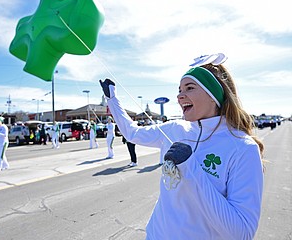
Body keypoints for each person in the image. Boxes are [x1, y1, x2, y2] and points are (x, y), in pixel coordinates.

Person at [99, 53, 264, 239]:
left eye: (189, 87)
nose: (179, 95)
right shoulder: (175, 129)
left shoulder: (243, 148)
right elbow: (132, 133)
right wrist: (112, 99)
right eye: (179, 89)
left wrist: (190, 168)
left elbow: (242, 232)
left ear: (213, 96)